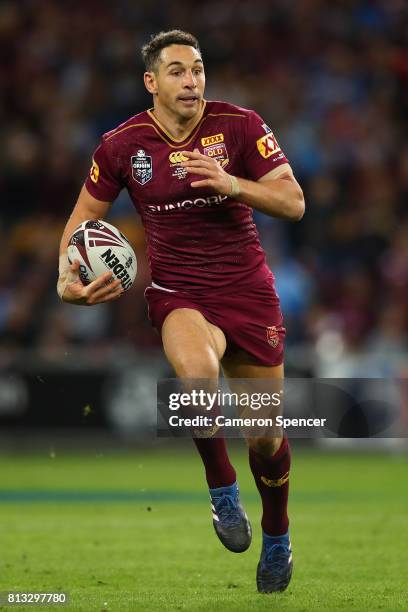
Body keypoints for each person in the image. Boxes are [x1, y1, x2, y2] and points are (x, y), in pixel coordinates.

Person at [57, 30, 305, 593]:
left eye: (197, 69)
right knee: (195, 376)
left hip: (248, 292)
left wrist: (233, 184)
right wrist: (64, 281)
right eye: (177, 71)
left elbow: (294, 202)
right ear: (152, 82)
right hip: (179, 291)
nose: (191, 80)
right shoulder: (121, 146)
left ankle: (278, 535)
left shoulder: (240, 125)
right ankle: (221, 490)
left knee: (265, 439)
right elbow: (80, 221)